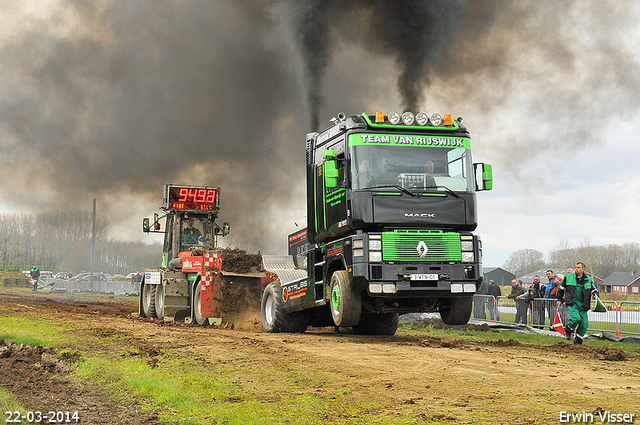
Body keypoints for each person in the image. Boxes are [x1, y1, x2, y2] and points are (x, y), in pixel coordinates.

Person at [556, 262, 598, 345]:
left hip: (583, 305)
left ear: (583, 269)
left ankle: (578, 341)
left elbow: (594, 289)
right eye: (576, 267)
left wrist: (594, 295)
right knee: (576, 318)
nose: (576, 269)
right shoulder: (568, 277)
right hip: (572, 303)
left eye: (579, 267)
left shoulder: (588, 280)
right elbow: (561, 288)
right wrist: (559, 299)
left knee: (584, 324)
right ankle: (568, 329)